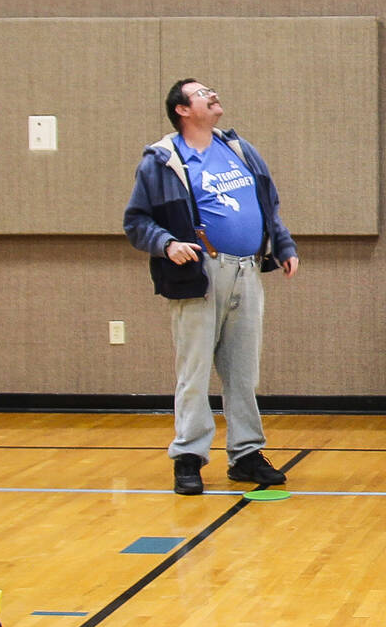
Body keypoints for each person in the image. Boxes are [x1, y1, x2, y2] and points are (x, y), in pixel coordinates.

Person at [123, 79, 298, 496]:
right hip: (201, 277)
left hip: (247, 271)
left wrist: (284, 244)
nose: (213, 95)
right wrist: (167, 244)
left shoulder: (239, 150)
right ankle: (189, 457)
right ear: (182, 110)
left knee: (243, 372)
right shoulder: (162, 161)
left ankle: (246, 455)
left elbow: (268, 204)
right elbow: (136, 222)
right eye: (202, 93)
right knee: (195, 372)